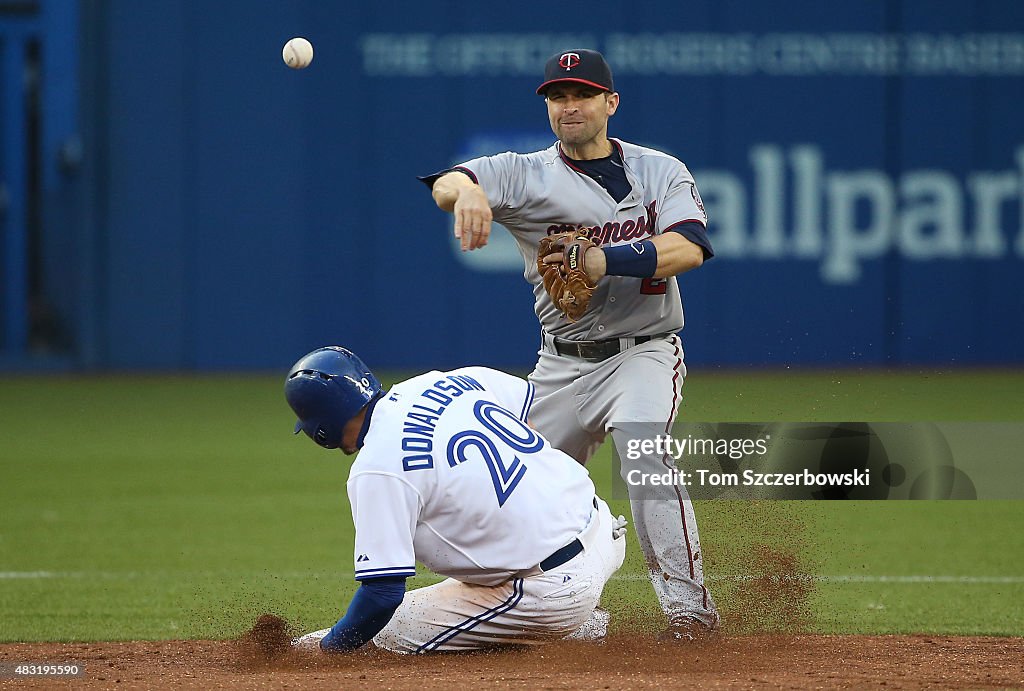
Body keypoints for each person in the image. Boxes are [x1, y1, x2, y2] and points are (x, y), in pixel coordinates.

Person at [420, 48, 719, 639]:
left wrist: (605, 259)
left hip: (645, 350)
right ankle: (573, 615)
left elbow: (691, 246)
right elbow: (448, 184)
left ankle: (690, 616)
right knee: (526, 491)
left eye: (581, 94)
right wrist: (470, 192)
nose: (568, 105)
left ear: (610, 103)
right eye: (557, 96)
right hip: (559, 365)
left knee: (644, 456)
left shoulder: (659, 170)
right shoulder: (524, 173)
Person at [284, 346, 626, 653]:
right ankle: (563, 613)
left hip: (551, 591)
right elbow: (532, 425)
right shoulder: (453, 379)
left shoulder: (376, 469)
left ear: (321, 428)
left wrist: (332, 649)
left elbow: (382, 595)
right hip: (604, 528)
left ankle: (570, 627)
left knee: (385, 633)